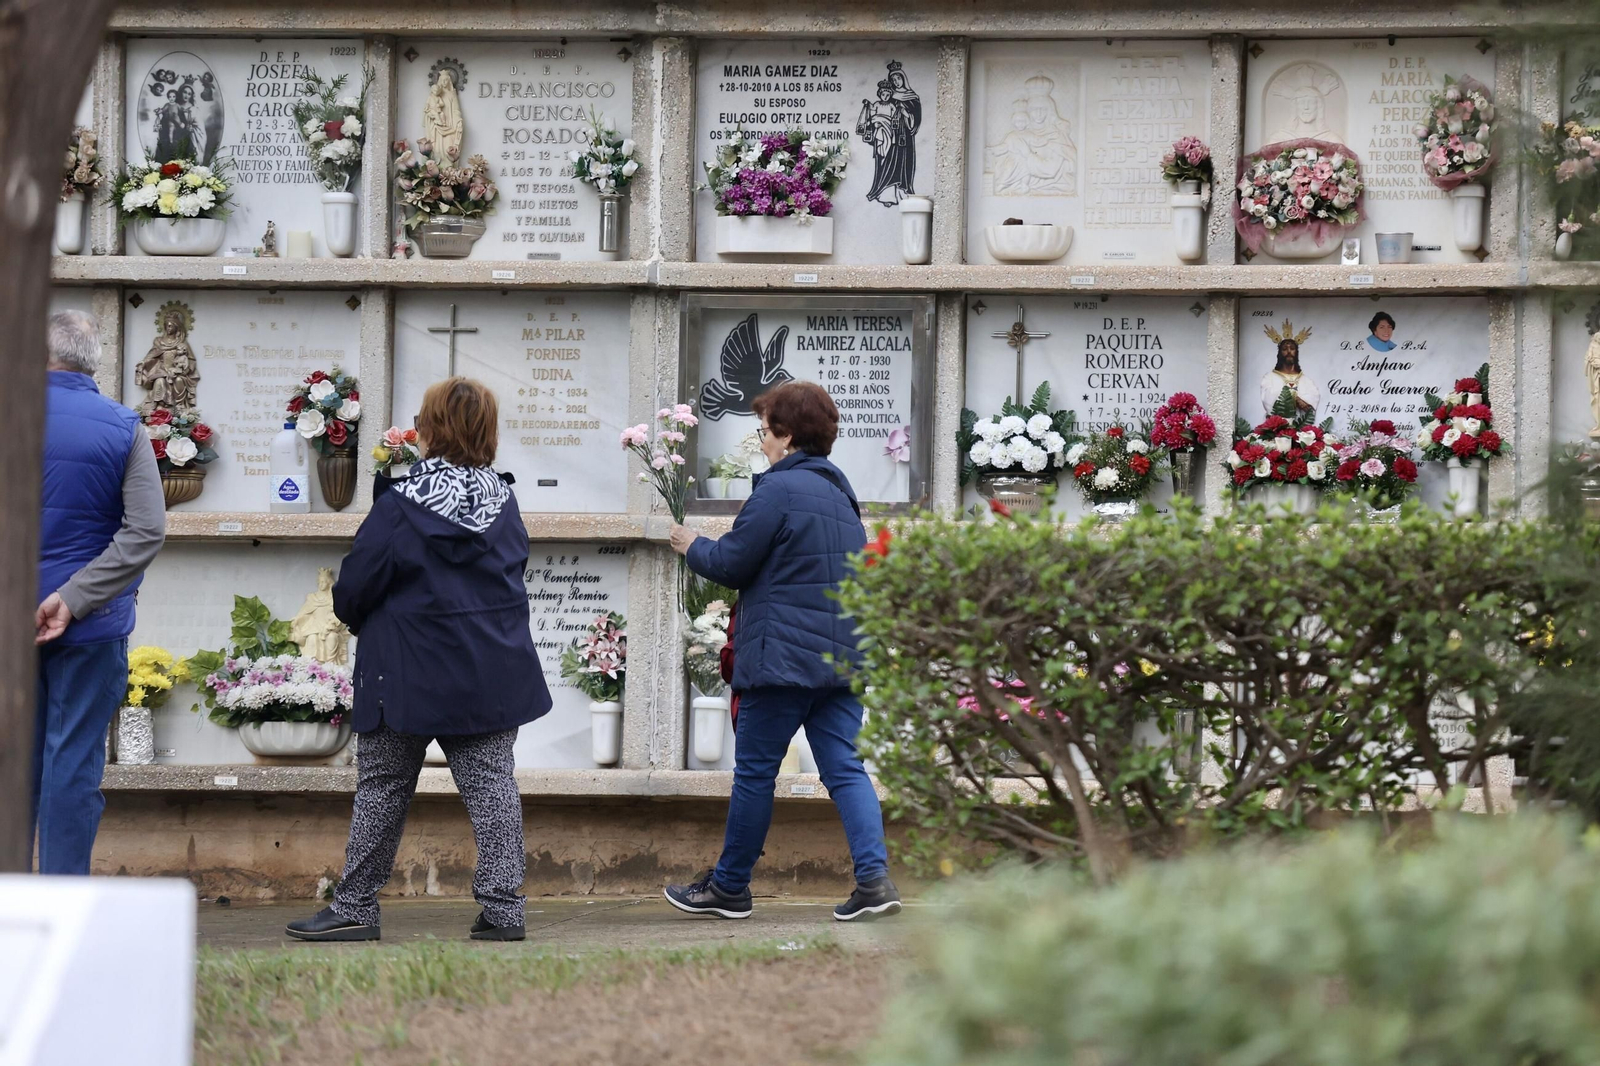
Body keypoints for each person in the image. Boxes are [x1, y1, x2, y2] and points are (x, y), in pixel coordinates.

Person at [287, 378, 551, 942]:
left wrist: (367, 620)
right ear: (487, 433)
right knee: (493, 788)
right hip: (489, 670)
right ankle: (504, 912)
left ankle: (356, 908)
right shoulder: (504, 503)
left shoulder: (403, 504)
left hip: (403, 671)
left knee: (383, 786)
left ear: (428, 432)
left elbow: (355, 586)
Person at [663, 381, 900, 922]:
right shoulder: (842, 497)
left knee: (754, 775)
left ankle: (729, 888)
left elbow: (732, 563)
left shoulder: (776, 489)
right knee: (845, 769)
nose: (763, 442)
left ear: (787, 436)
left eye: (765, 431)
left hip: (781, 662)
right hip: (840, 662)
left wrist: (689, 545)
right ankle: (874, 880)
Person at [34, 310, 166, 874]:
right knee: (72, 766)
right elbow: (145, 531)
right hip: (90, 626)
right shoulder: (124, 427)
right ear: (94, 361)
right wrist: (73, 598)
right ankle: (63, 904)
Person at [1261, 337, 1321, 416]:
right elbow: (1267, 398)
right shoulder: (1269, 378)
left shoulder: (1306, 380)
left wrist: (1303, 401)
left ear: (1296, 352)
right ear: (1280, 353)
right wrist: (1294, 398)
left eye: (1292, 348)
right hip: (1277, 426)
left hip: (1300, 425)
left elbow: (1313, 399)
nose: (1289, 351)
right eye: (1284, 349)